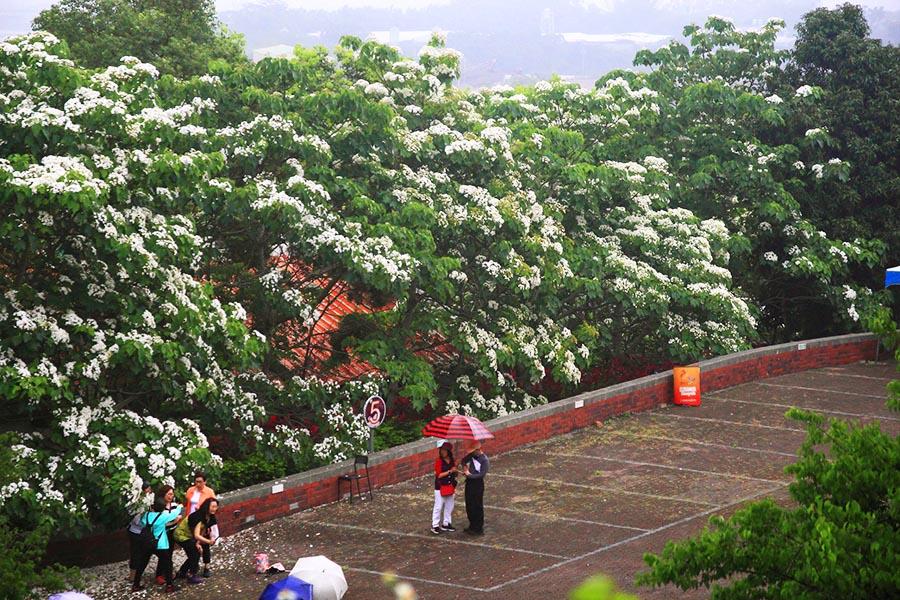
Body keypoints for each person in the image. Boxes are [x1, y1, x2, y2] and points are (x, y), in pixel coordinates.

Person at [132, 486, 183, 593]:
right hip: (160, 544)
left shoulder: (146, 516)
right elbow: (174, 513)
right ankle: (169, 586)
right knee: (168, 563)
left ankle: (136, 584)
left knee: (142, 563)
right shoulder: (163, 516)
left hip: (147, 543)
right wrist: (179, 507)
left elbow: (142, 522)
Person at [174, 497, 219, 584]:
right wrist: (208, 541)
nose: (215, 509)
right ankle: (191, 575)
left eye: (216, 507)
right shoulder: (198, 516)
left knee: (195, 552)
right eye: (212, 507)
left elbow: (203, 530)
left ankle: (182, 572)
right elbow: (196, 535)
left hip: (191, 536)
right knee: (195, 552)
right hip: (182, 535)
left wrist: (199, 542)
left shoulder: (210, 516)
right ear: (207, 507)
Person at [184, 471, 217, 577]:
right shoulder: (190, 491)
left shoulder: (209, 492)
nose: (198, 484)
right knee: (193, 543)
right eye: (196, 482)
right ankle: (193, 566)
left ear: (205, 482)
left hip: (203, 519)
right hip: (192, 519)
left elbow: (213, 505)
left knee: (205, 543)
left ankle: (207, 566)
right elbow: (187, 503)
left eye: (200, 482)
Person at [125, 480, 154, 583]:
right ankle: (133, 575)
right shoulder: (136, 502)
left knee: (140, 553)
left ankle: (136, 574)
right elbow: (135, 519)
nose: (150, 491)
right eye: (148, 489)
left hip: (142, 531)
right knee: (135, 553)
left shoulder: (149, 500)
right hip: (136, 531)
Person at [460, 441, 489, 535]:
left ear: (478, 450)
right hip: (469, 483)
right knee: (469, 504)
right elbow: (463, 461)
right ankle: (472, 525)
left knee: (477, 505)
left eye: (473, 451)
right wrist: (465, 468)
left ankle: (478, 528)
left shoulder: (484, 460)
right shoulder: (472, 456)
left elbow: (481, 474)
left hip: (477, 484)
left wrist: (469, 475)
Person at [431, 441, 457, 534]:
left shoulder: (451, 459)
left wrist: (455, 471)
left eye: (444, 450)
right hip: (440, 486)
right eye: (441, 450)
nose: (443, 452)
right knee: (438, 506)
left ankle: (446, 523)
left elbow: (454, 471)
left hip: (450, 486)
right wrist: (450, 471)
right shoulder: (439, 461)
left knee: (449, 505)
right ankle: (435, 525)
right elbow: (439, 475)